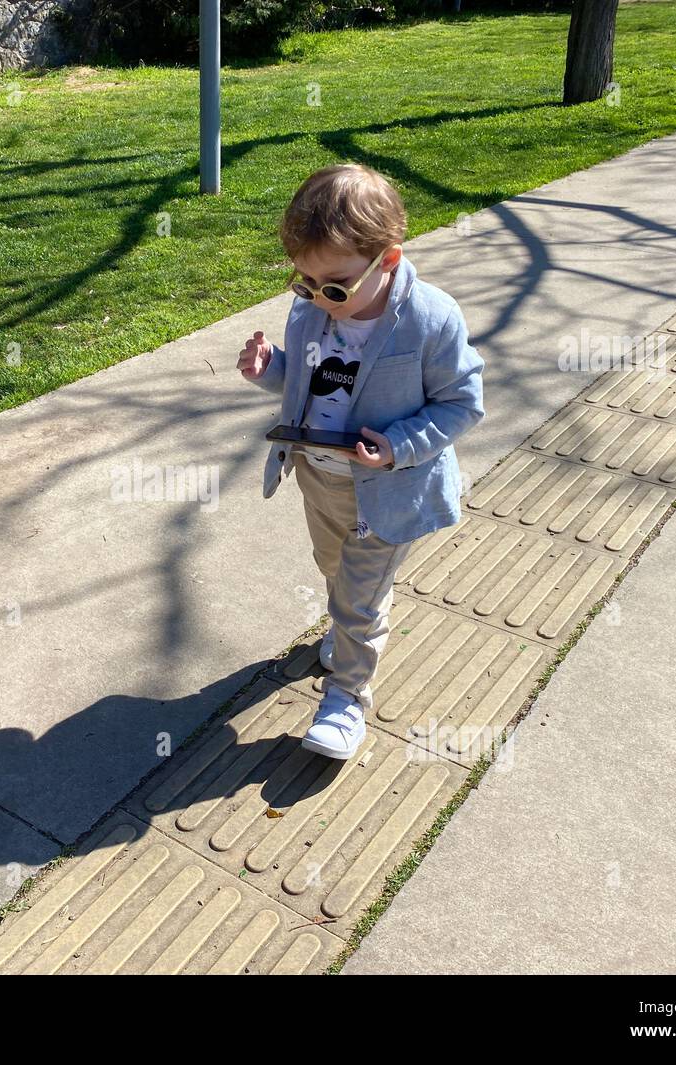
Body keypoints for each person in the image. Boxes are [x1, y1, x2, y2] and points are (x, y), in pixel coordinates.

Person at [236, 163, 486, 759]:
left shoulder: (429, 319)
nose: (319, 297)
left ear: (388, 260)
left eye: (336, 286)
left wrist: (401, 444)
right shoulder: (311, 312)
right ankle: (349, 626)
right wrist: (270, 369)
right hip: (318, 479)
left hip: (386, 489)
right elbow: (310, 383)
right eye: (304, 282)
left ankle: (347, 697)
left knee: (358, 594)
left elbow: (461, 404)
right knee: (333, 567)